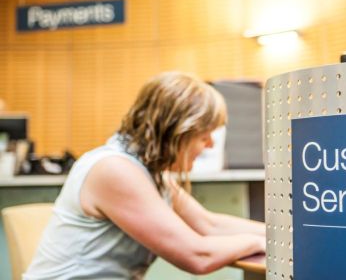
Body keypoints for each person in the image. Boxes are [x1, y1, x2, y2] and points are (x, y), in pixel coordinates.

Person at [24, 72, 265, 279]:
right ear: (177, 132)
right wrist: (260, 242)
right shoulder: (115, 170)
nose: (211, 145)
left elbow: (208, 224)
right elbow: (198, 256)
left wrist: (281, 233)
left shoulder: (148, 171)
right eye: (204, 136)